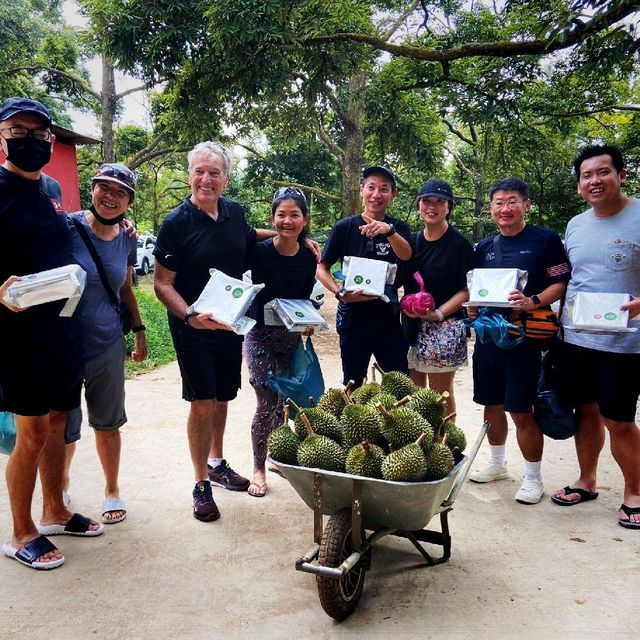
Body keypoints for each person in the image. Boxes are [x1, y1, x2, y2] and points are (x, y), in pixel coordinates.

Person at [0, 97, 101, 571]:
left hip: (62, 323)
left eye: (40, 134)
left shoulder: (52, 188)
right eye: (19, 131)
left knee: (61, 420)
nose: (31, 141)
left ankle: (54, 509)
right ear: (3, 134)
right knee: (33, 431)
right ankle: (21, 530)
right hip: (18, 332)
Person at [154, 141, 279, 521]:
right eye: (200, 171)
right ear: (190, 174)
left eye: (215, 172)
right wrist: (190, 315)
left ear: (225, 178)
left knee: (223, 398)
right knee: (203, 402)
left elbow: (247, 235)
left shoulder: (233, 213)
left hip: (230, 325)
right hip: (193, 327)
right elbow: (162, 283)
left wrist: (288, 235)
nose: (206, 179)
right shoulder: (176, 224)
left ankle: (217, 463)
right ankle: (200, 483)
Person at [551, 145, 640, 529]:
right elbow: (569, 278)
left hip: (623, 343)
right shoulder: (575, 225)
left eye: (603, 172)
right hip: (575, 339)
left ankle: (634, 492)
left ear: (621, 175)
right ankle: (587, 481)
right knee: (584, 411)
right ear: (579, 186)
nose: (595, 181)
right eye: (587, 176)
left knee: (618, 420)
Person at [468, 177, 570, 504]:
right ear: (492, 208)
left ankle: (533, 477)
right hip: (488, 338)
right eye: (499, 202)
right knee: (491, 404)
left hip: (524, 339)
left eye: (512, 201)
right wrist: (473, 308)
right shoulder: (483, 247)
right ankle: (497, 463)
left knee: (521, 409)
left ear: (526, 205)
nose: (505, 208)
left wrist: (533, 300)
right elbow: (478, 291)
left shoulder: (545, 240)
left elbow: (560, 284)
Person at [62, 163, 147, 524]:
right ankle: (60, 485)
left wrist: (140, 329)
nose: (111, 197)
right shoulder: (66, 227)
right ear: (92, 188)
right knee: (62, 422)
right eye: (105, 188)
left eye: (121, 192)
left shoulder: (128, 239)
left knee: (108, 421)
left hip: (107, 340)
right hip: (63, 340)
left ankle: (111, 490)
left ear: (128, 201)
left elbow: (125, 287)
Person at [244, 187, 317, 497]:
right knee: (265, 401)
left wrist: (308, 323)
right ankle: (258, 467)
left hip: (288, 336)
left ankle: (274, 455)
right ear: (272, 218)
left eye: (294, 215)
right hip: (259, 335)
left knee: (283, 402)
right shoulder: (258, 251)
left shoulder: (308, 257)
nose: (287, 221)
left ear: (305, 220)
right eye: (281, 215)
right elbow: (239, 234)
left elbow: (302, 299)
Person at [316, 166, 412, 387]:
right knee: (352, 383)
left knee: (398, 383)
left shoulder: (398, 228)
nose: (376, 194)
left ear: (392, 195)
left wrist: (388, 231)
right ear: (361, 190)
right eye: (371, 187)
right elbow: (322, 267)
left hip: (388, 317)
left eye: (384, 189)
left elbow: (406, 255)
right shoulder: (345, 228)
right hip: (353, 318)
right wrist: (340, 293)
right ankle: (353, 421)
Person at [401, 179, 474, 416]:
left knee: (439, 396)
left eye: (439, 202)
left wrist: (439, 313)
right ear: (419, 206)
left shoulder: (460, 244)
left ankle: (445, 446)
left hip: (445, 327)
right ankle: (421, 445)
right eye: (426, 201)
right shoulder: (411, 242)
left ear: (449, 207)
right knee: (414, 392)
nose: (432, 206)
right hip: (412, 325)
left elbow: (467, 289)